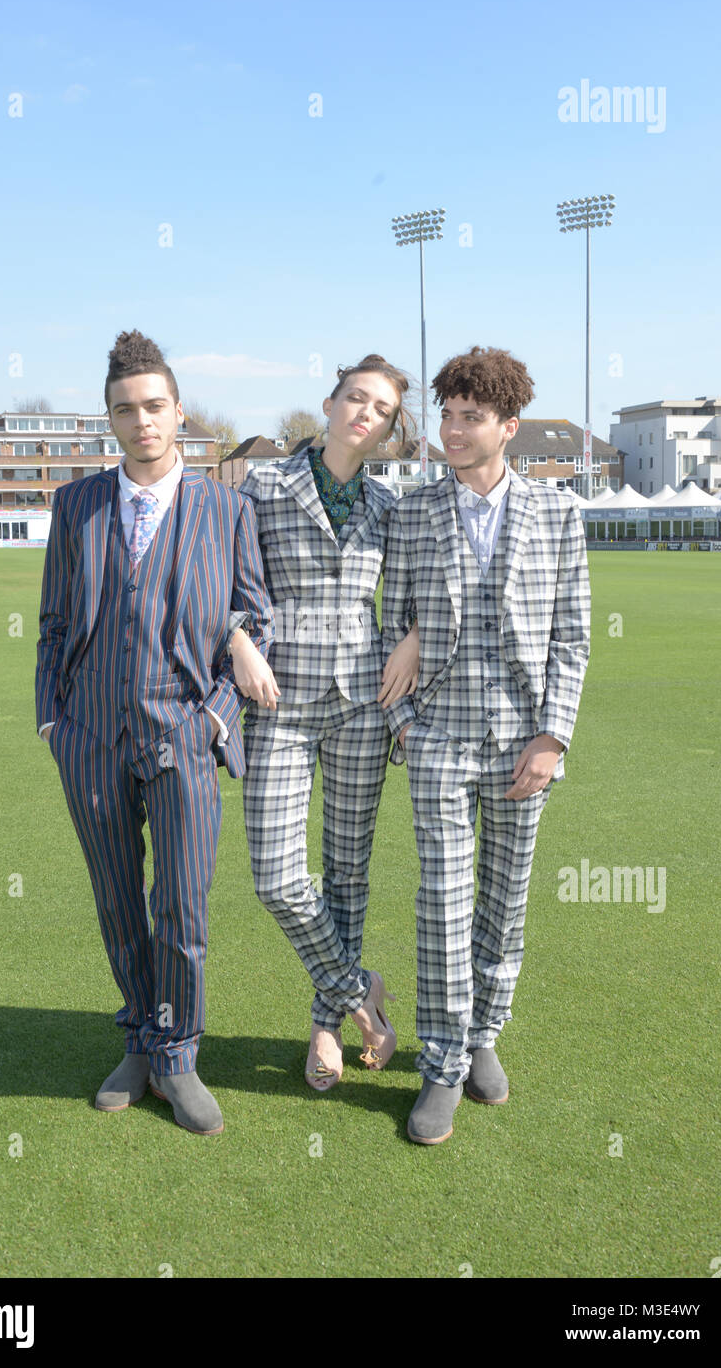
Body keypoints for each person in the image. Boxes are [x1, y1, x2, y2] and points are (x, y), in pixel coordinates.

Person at [35, 330, 272, 1136]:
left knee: (180, 905)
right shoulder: (76, 505)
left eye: (155, 407)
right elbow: (54, 621)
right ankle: (138, 1040)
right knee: (115, 900)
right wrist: (51, 718)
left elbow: (255, 621)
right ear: (110, 419)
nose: (142, 422)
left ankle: (177, 1056)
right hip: (90, 733)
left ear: (179, 412)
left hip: (183, 732)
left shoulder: (225, 508)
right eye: (125, 410)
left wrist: (215, 716)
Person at [381, 346, 590, 1144]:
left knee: (503, 908)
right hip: (436, 739)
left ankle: (480, 1039)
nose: (453, 430)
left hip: (520, 748)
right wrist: (405, 724)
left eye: (471, 417)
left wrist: (552, 736)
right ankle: (439, 1064)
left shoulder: (560, 514)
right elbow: (387, 626)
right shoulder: (412, 512)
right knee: (441, 904)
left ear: (509, 426)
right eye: (447, 415)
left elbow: (571, 639)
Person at [228, 355, 420, 1092]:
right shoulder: (264, 485)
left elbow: (406, 599)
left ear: (387, 427)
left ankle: (324, 1026)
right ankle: (359, 997)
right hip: (278, 702)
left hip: (361, 708)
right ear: (330, 402)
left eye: (379, 408)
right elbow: (225, 579)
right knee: (277, 879)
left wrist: (406, 637)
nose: (363, 413)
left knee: (346, 877)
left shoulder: (385, 507)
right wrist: (238, 640)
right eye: (354, 398)